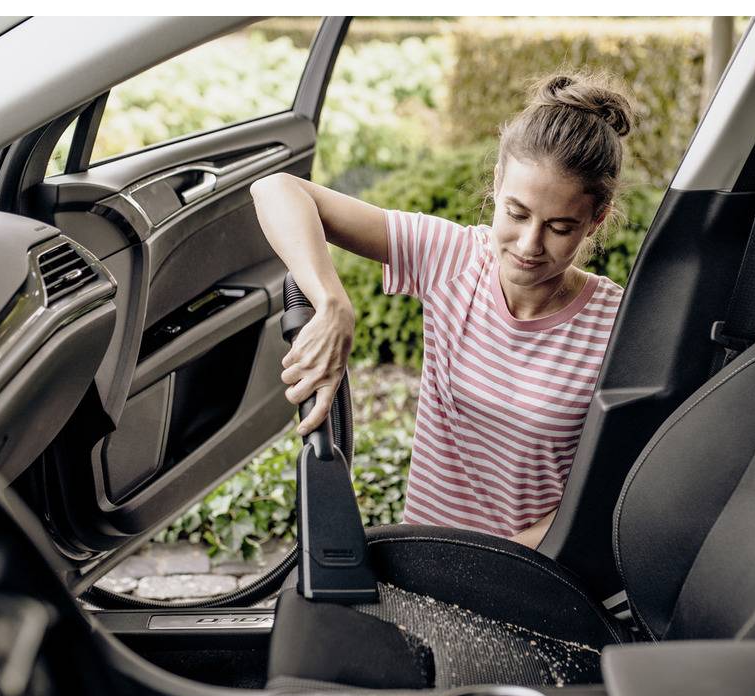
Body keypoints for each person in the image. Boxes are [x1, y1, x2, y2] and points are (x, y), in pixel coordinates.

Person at [251, 72, 631, 550]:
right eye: (516, 214)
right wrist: (331, 303)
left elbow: (608, 493)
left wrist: (500, 568)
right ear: (496, 182)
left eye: (559, 227)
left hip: (534, 570)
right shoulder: (453, 259)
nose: (529, 245)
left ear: (597, 218)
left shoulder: (618, 327)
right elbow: (275, 190)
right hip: (424, 553)